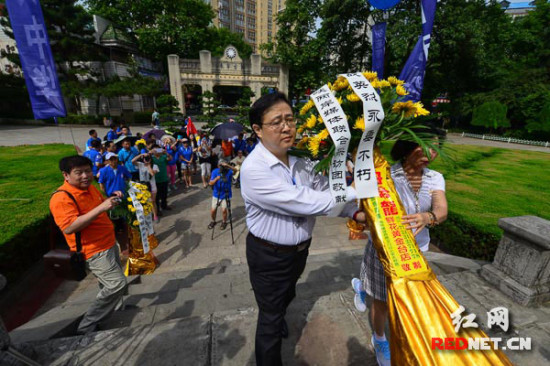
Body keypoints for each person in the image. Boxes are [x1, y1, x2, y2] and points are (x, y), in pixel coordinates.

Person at [240, 93, 358, 366]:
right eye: (276, 122)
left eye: (290, 119)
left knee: (289, 292)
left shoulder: (301, 159)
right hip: (268, 255)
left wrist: (353, 211)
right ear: (257, 130)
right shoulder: (254, 170)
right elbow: (305, 203)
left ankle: (279, 313)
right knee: (268, 321)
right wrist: (354, 191)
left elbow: (322, 192)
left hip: (299, 251)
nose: (286, 127)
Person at [352, 131, 448, 366]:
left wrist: (428, 217)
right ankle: (380, 338)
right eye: (423, 147)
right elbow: (360, 210)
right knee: (382, 301)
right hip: (383, 250)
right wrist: (364, 218)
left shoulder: (434, 178)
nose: (429, 154)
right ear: (407, 147)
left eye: (434, 149)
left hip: (415, 253)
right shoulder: (385, 175)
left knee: (408, 299)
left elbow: (442, 209)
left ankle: (364, 288)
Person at [49, 155, 126, 334]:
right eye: (79, 172)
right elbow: (69, 227)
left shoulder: (90, 188)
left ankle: (115, 310)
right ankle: (86, 326)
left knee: (108, 283)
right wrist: (101, 208)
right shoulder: (61, 198)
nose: (85, 176)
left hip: (108, 243)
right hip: (93, 250)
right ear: (66, 175)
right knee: (116, 284)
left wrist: (111, 199)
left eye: (88, 171)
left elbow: (100, 205)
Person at [132, 152, 160, 222]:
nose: (146, 159)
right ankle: (148, 215)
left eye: (148, 158)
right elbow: (132, 161)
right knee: (145, 202)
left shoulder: (155, 166)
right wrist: (141, 155)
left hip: (152, 186)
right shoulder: (140, 165)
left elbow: (152, 173)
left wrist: (148, 165)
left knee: (152, 201)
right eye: (145, 158)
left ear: (151, 159)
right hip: (143, 187)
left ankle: (155, 215)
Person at [208, 161, 233, 230]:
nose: (222, 167)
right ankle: (213, 221)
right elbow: (210, 183)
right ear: (218, 166)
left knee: (224, 210)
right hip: (216, 194)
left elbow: (236, 170)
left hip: (226, 194)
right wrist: (216, 179)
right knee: (213, 210)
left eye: (223, 166)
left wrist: (228, 165)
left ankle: (224, 222)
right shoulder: (215, 171)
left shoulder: (229, 171)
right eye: (221, 165)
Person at [151, 146, 172, 215]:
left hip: (164, 178)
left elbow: (170, 159)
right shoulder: (152, 158)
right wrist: (150, 152)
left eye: (159, 149)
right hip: (155, 179)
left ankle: (164, 205)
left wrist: (166, 152)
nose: (158, 151)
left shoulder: (163, 157)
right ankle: (158, 209)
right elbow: (145, 159)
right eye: (156, 149)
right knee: (157, 196)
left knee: (164, 194)